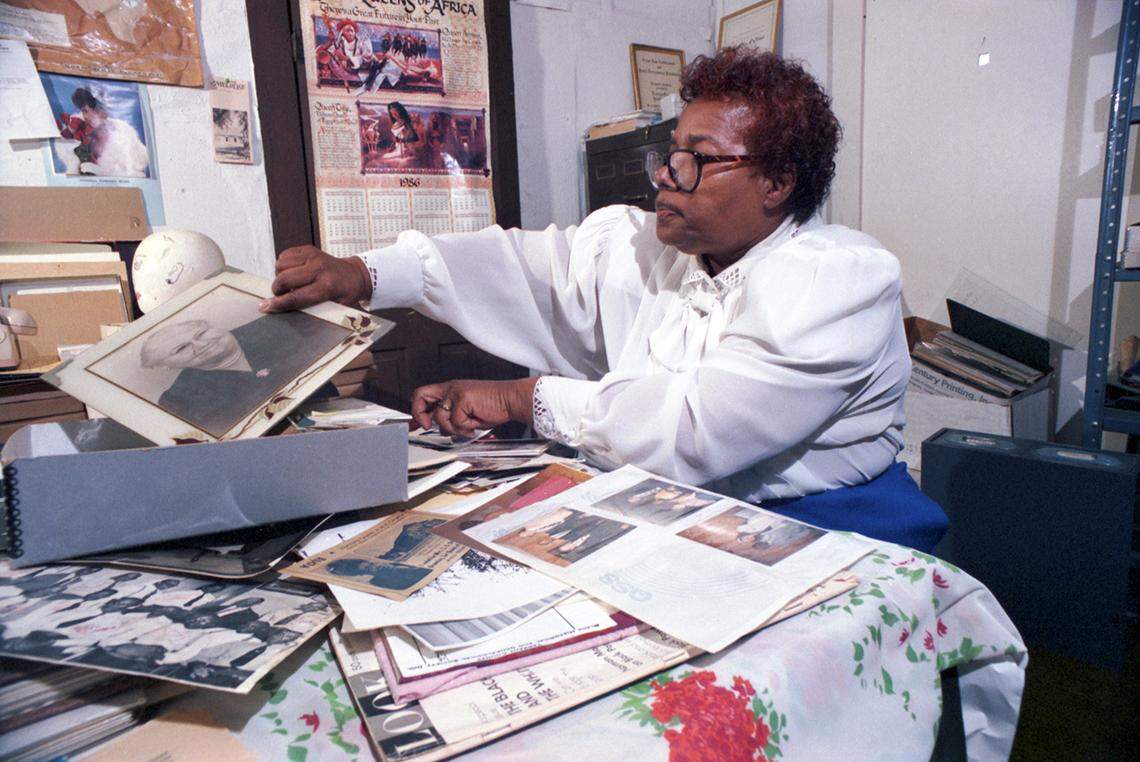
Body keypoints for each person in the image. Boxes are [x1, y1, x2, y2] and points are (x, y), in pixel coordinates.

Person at [264, 49, 948, 551]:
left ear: (776, 182)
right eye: (669, 154)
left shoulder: (839, 281)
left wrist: (521, 399)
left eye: (697, 160)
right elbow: (528, 267)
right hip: (686, 511)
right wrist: (364, 275)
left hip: (829, 526)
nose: (666, 179)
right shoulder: (656, 249)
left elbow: (692, 431)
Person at [138, 312, 347, 437]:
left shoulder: (275, 329)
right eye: (181, 349)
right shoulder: (181, 400)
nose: (201, 345)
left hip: (337, 426)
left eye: (201, 333)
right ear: (166, 366)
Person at [57, 86, 149, 177]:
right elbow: (70, 172)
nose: (90, 116)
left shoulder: (123, 132)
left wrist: (104, 173)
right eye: (85, 111)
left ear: (105, 110)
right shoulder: (78, 131)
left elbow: (138, 172)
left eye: (96, 110)